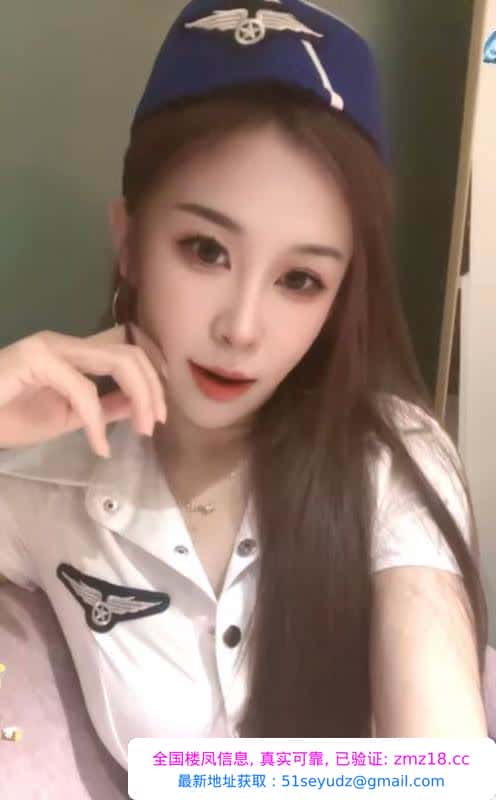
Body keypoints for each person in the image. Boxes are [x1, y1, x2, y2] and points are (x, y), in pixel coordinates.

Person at [0, 0, 489, 771]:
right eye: (206, 250)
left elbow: (440, 769)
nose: (242, 328)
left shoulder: (390, 459)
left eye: (300, 279)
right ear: (128, 241)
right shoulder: (41, 481)